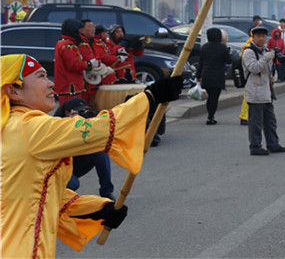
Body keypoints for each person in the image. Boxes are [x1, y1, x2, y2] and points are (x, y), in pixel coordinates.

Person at [0, 54, 183, 258]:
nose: (51, 83)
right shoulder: (29, 128)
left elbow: (36, 194)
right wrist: (149, 97)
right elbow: (96, 129)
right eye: (41, 76)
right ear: (13, 91)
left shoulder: (8, 127)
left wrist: (99, 209)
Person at [53, 97, 114, 200]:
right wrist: (70, 125)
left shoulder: (87, 118)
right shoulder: (56, 124)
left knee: (100, 152)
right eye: (79, 112)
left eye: (84, 110)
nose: (82, 114)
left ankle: (107, 192)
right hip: (59, 168)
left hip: (75, 162)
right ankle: (56, 199)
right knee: (73, 183)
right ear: (67, 113)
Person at [243, 27, 285, 156]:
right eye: (259, 36)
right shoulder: (249, 52)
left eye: (264, 36)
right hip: (255, 92)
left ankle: (273, 144)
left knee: (270, 122)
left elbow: (268, 69)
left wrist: (275, 74)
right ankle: (255, 146)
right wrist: (266, 58)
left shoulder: (266, 51)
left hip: (267, 92)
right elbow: (254, 68)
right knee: (256, 123)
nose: (262, 39)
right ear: (253, 37)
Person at [54, 19, 96, 106]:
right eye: (79, 30)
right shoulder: (67, 45)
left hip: (72, 87)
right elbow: (73, 65)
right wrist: (89, 64)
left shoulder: (66, 43)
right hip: (70, 87)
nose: (80, 32)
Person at [197, 27, 230, 125]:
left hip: (206, 76)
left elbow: (200, 64)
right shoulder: (222, 47)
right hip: (218, 76)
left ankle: (209, 115)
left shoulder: (204, 47)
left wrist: (198, 76)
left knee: (209, 97)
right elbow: (228, 61)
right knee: (214, 98)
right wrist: (229, 53)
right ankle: (211, 117)